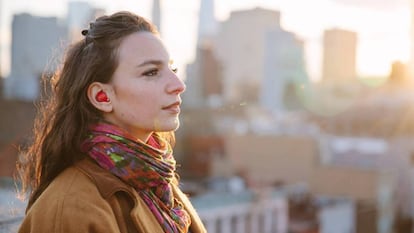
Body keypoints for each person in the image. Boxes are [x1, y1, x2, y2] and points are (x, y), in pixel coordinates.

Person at [17, 11, 206, 233]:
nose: (178, 84)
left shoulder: (157, 183)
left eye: (172, 69)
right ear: (102, 97)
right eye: (151, 72)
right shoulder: (71, 206)